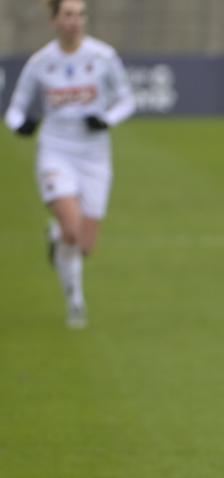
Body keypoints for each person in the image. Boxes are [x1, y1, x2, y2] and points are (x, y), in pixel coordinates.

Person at [4, 0, 135, 329]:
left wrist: (106, 120)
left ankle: (56, 237)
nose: (75, 21)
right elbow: (15, 109)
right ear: (54, 21)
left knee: (85, 246)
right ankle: (75, 301)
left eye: (80, 15)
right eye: (68, 15)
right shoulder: (41, 63)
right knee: (73, 231)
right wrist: (22, 126)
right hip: (56, 151)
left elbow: (127, 99)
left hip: (94, 156)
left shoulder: (103, 56)